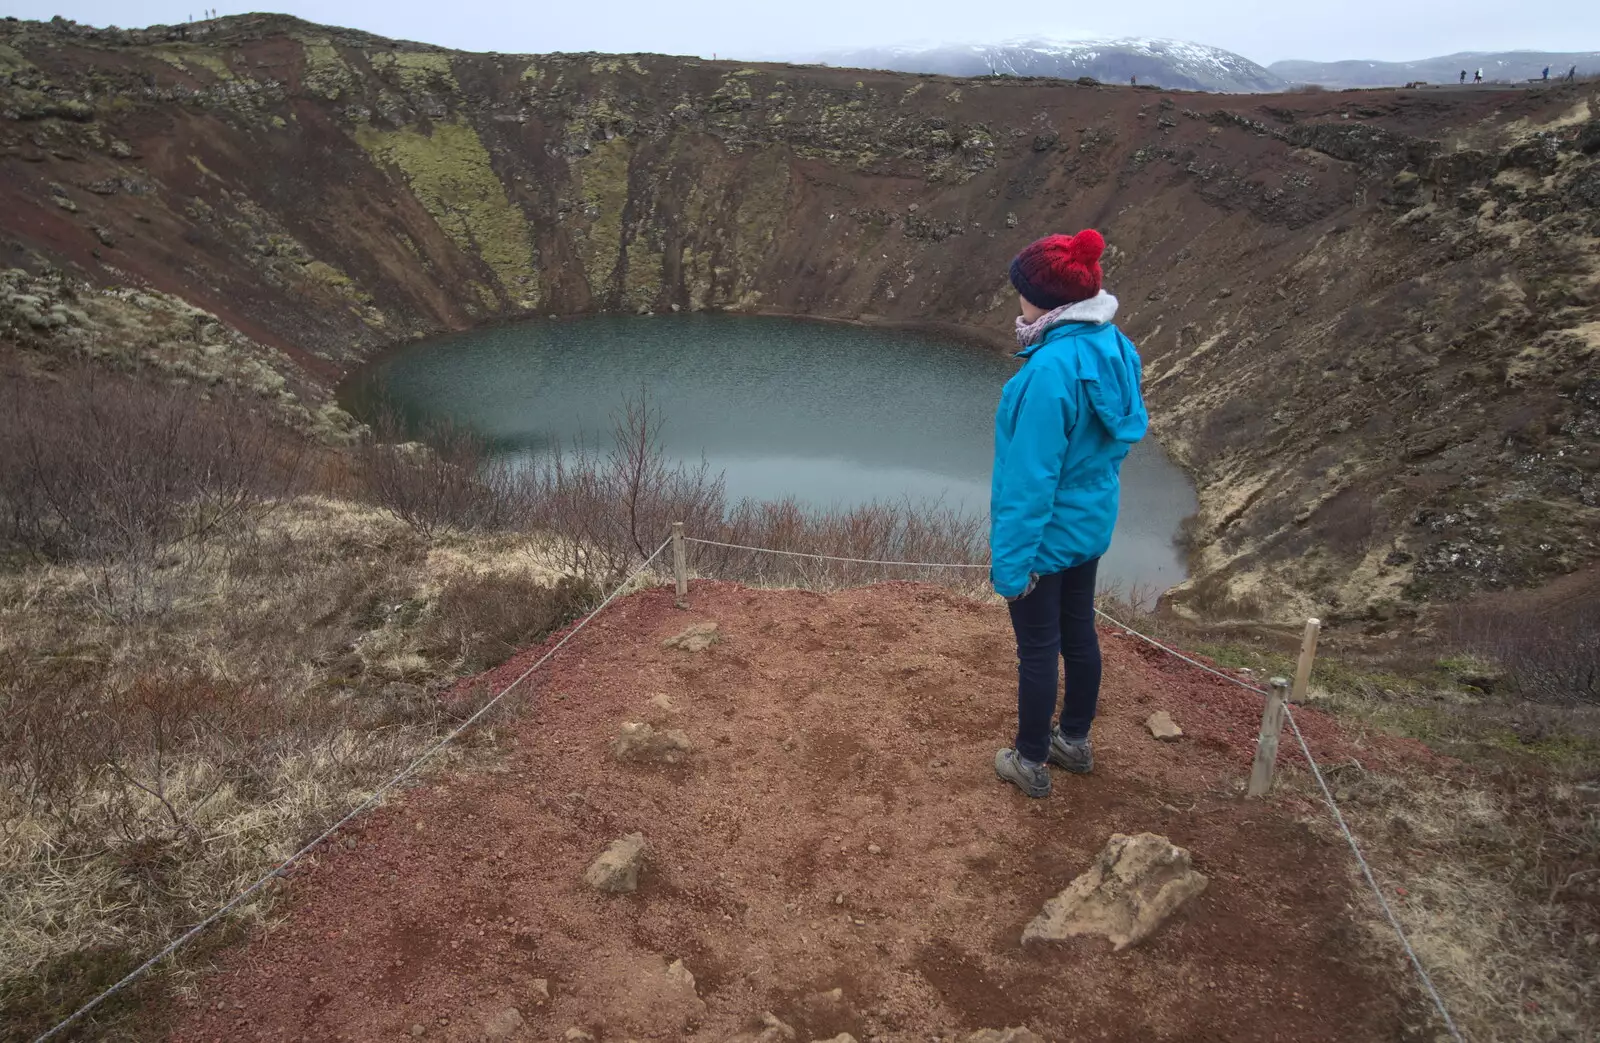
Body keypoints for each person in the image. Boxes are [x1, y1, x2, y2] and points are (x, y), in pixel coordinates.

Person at [990, 230, 1148, 799]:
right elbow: (1114, 438)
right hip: (1090, 523)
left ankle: (1030, 759)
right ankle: (1073, 741)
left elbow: (1028, 481)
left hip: (1046, 537)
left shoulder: (1046, 370)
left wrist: (1011, 567)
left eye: (1024, 293)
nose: (1018, 303)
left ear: (1048, 302)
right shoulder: (1115, 346)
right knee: (1078, 633)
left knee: (1036, 649)